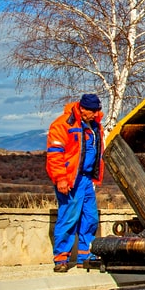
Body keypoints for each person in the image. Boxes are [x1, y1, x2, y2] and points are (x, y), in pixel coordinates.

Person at [45, 93, 105, 273]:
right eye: (92, 111)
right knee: (69, 217)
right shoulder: (63, 124)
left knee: (90, 217)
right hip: (70, 178)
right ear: (82, 108)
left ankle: (84, 256)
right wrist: (60, 179)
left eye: (97, 111)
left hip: (86, 179)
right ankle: (61, 258)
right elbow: (54, 155)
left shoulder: (95, 126)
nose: (95, 114)